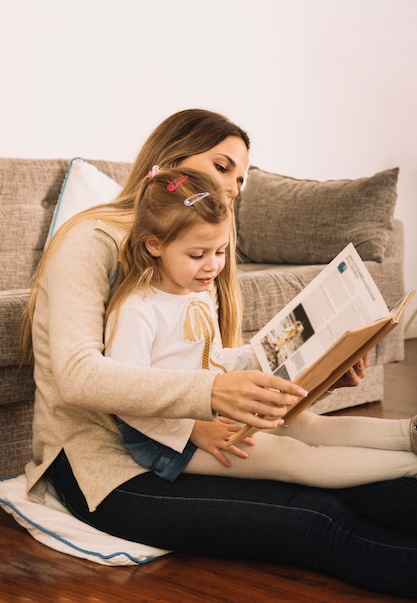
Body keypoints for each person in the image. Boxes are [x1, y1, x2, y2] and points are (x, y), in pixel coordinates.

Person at [21, 108, 417, 598]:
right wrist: (209, 395)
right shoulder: (93, 240)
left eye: (241, 178)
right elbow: (79, 375)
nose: (233, 187)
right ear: (173, 161)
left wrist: (319, 371)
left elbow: (207, 363)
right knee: (318, 517)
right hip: (105, 463)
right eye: (223, 166)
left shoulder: (199, 254)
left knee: (375, 489)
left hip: (188, 432)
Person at [105, 165, 417, 489]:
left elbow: (211, 361)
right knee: (290, 454)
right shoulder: (136, 309)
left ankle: (409, 433)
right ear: (154, 245)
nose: (213, 265)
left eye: (220, 251)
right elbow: (125, 397)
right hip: (163, 438)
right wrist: (192, 430)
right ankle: (410, 467)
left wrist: (260, 356)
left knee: (306, 424)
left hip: (209, 408)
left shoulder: (196, 291)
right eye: (198, 254)